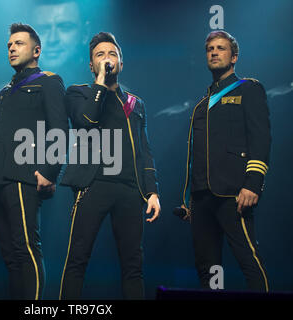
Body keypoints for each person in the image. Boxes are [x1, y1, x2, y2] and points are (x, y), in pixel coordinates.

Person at [59, 32, 161, 299]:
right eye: (100, 55)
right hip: (93, 185)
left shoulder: (136, 103)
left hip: (130, 190)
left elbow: (144, 150)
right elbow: (85, 121)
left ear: (122, 64)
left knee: (133, 265)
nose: (107, 59)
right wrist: (101, 85)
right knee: (77, 260)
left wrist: (152, 191)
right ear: (91, 66)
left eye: (112, 54)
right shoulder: (77, 93)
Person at [0, 23, 68, 300]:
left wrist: (51, 171)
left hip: (25, 175)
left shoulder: (48, 81)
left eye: (19, 44)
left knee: (26, 249)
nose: (12, 48)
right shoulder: (2, 93)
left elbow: (60, 129)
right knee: (11, 257)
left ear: (36, 50)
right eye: (9, 45)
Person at [180, 31, 271, 292]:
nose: (214, 52)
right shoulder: (200, 105)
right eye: (210, 48)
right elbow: (193, 155)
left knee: (248, 260)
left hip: (234, 192)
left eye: (220, 48)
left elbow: (261, 138)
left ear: (234, 57)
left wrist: (253, 183)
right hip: (201, 198)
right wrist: (187, 198)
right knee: (208, 269)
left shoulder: (248, 89)